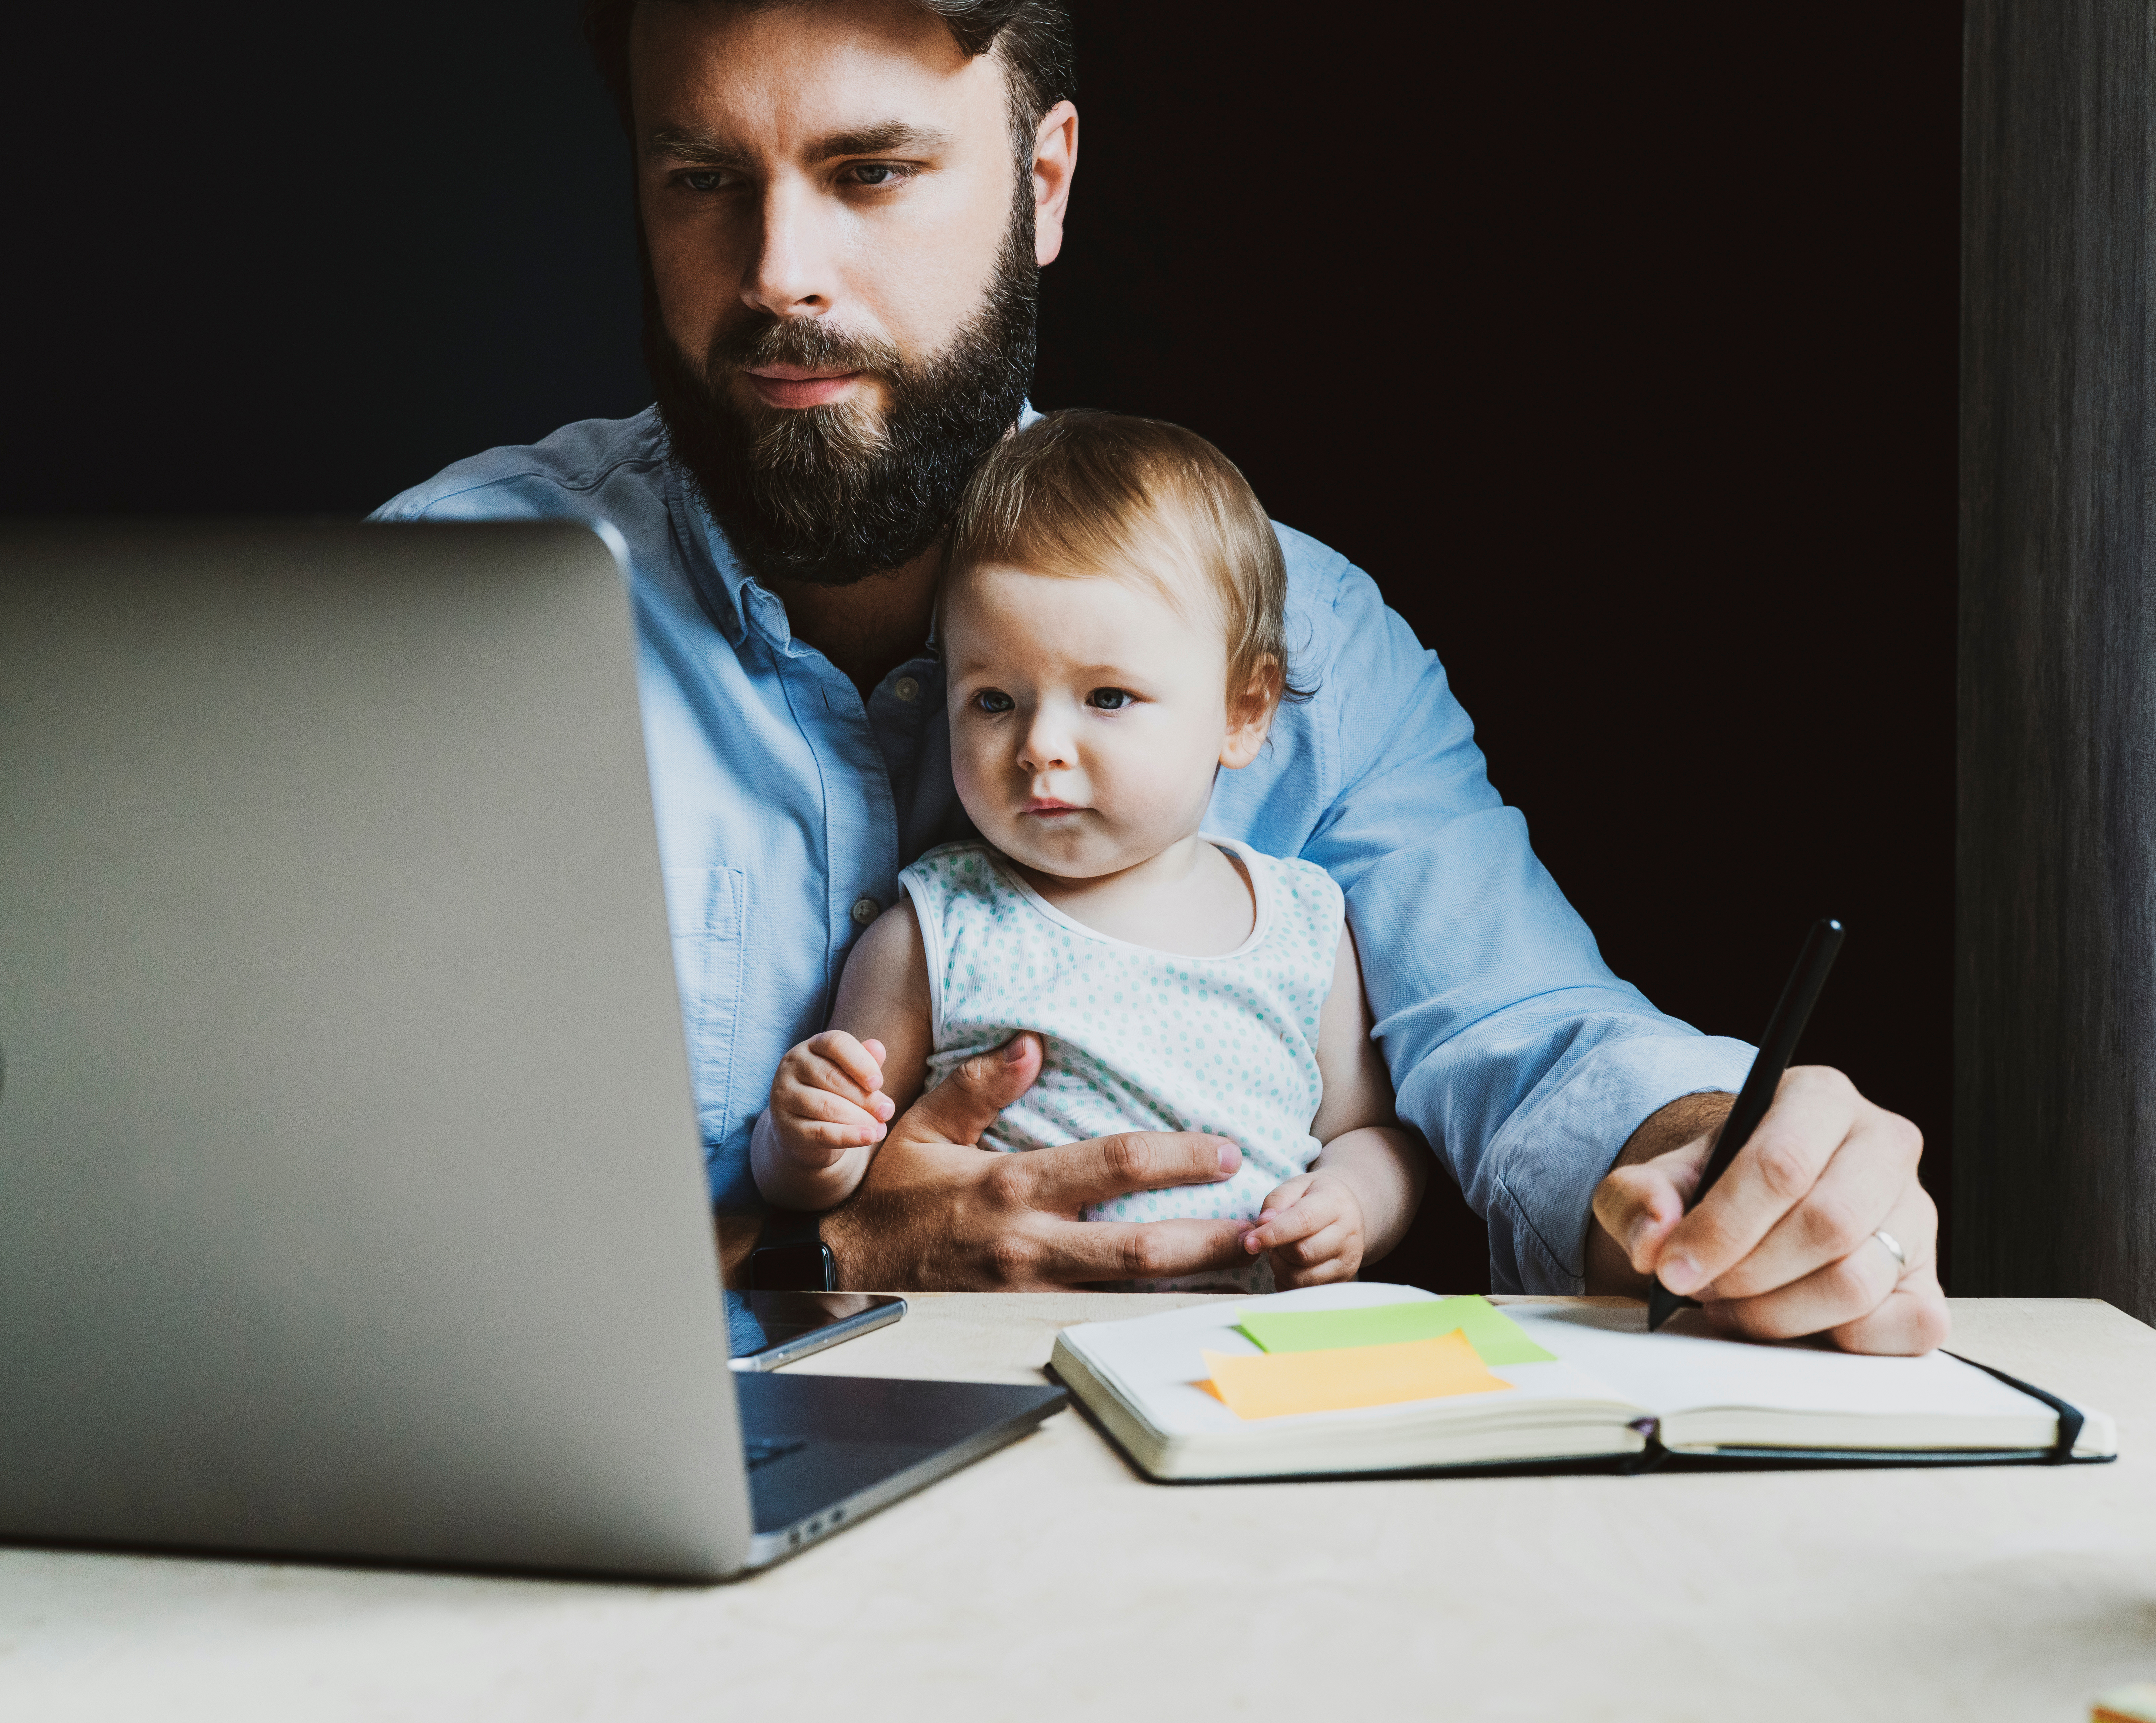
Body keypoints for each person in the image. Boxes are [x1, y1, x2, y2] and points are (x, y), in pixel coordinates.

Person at [373, 0, 1946, 1352]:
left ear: (1043, 182)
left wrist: (1715, 1168)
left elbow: (1530, 1037)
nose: (782, 272)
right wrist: (822, 1262)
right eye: (701, 179)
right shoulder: (427, 615)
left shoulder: (1292, 631)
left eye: (872, 173)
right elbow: (305, 1220)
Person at [754, 410, 1427, 1292]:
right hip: (1006, 1357)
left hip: (1247, 1362)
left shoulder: (1297, 923)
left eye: (1106, 698)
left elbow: (1365, 1134)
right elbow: (833, 1187)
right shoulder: (934, 929)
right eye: (993, 701)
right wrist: (806, 1134)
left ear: (1242, 712)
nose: (1041, 746)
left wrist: (1352, 1206)